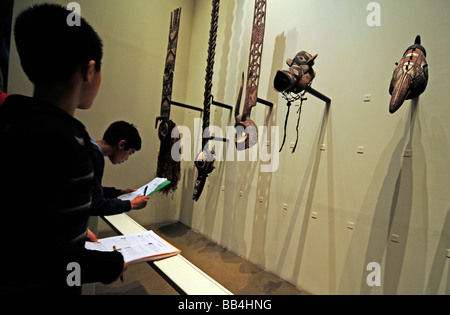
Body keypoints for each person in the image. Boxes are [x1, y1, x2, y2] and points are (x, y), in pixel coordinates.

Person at [0, 4, 125, 295]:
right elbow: (57, 262)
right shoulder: (72, 145)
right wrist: (112, 264)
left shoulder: (11, 121)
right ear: (90, 70)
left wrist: (74, 231)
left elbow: (29, 225)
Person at [90, 121, 149, 217]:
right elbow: (95, 205)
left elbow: (91, 191)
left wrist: (119, 193)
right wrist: (131, 204)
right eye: (130, 153)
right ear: (121, 145)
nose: (126, 159)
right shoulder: (94, 157)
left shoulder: (88, 146)